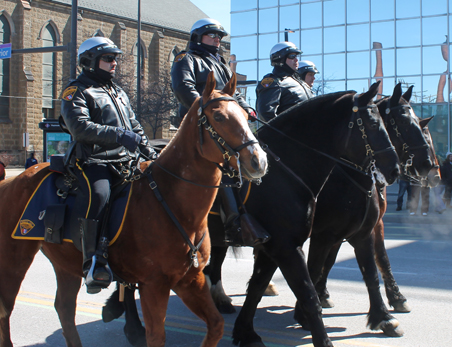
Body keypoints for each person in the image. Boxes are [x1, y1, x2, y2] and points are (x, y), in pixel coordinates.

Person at [60, 36, 157, 294]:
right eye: (108, 58)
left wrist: (149, 151)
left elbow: (134, 126)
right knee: (100, 194)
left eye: (115, 58)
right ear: (90, 61)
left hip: (125, 160)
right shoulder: (76, 90)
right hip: (92, 160)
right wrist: (118, 135)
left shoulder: (118, 91)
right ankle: (93, 261)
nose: (114, 63)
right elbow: (79, 127)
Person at [171, 18, 268, 247]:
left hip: (222, 127)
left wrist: (247, 110)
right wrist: (207, 113)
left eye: (219, 36)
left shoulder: (222, 65)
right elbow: (183, 87)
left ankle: (250, 216)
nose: (217, 39)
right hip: (197, 128)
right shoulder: (186, 59)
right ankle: (233, 224)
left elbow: (234, 95)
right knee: (224, 170)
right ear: (197, 37)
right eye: (211, 35)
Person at [256, 42, 314, 123]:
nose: (296, 59)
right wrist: (284, 133)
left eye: (296, 56)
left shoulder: (300, 83)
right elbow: (266, 113)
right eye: (292, 56)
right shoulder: (274, 82)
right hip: (292, 134)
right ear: (279, 58)